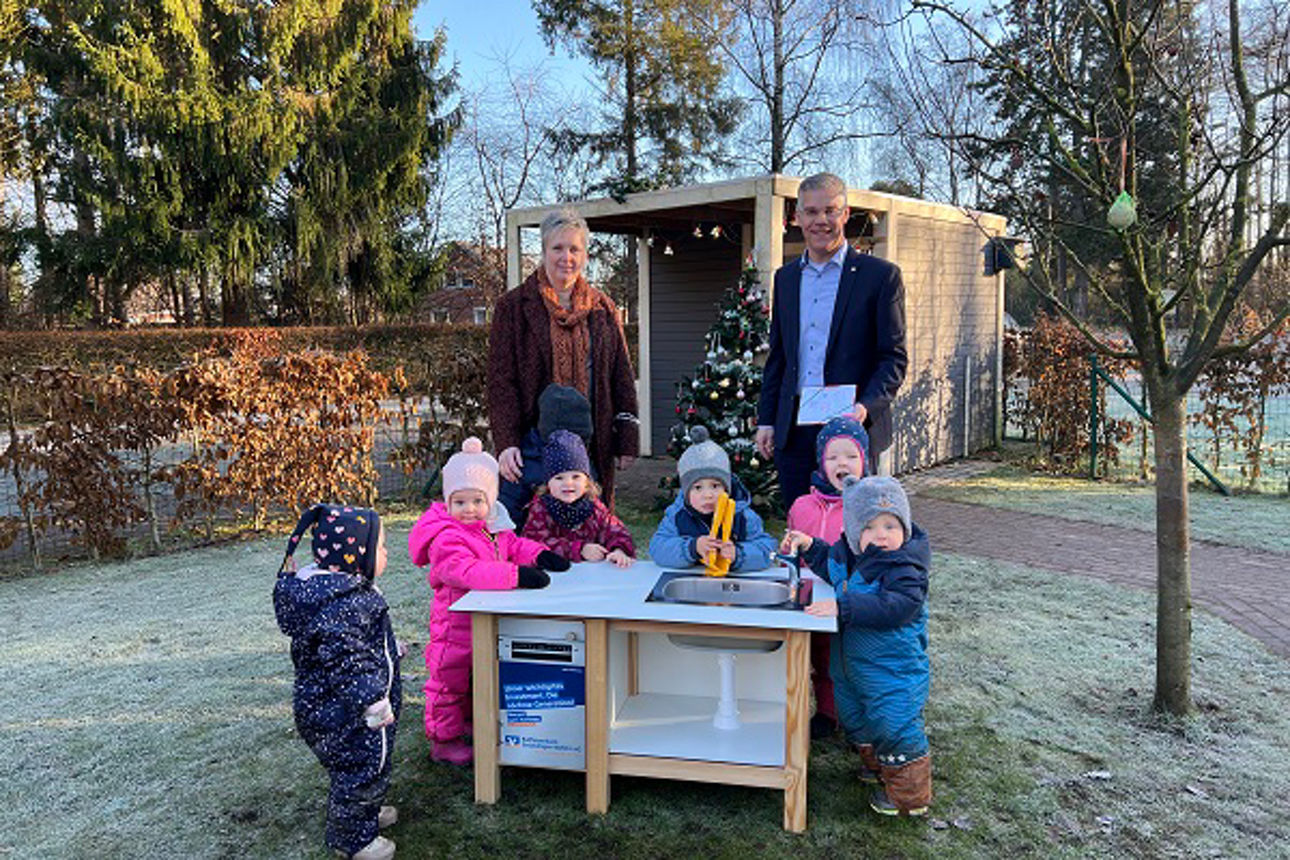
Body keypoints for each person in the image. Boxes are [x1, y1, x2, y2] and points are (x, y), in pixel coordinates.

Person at [407, 438, 570, 765]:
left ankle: (466, 723)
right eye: (460, 502)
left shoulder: (494, 528)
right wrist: (516, 576)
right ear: (448, 503)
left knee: (475, 678)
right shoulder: (449, 537)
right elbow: (466, 571)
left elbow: (514, 545)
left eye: (477, 500)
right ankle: (444, 740)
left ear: (491, 500)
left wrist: (541, 555)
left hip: (483, 622)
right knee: (447, 683)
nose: (469, 509)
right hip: (454, 627)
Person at [755, 172, 908, 508]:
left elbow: (892, 359)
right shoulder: (786, 278)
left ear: (845, 213)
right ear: (796, 217)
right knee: (800, 528)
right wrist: (767, 419)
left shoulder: (880, 277)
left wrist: (864, 409)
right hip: (793, 430)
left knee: (853, 534)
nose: (820, 220)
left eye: (830, 211)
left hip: (850, 430)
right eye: (811, 212)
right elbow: (779, 356)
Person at [782, 476, 932, 817]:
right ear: (853, 533)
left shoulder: (903, 567)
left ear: (905, 529)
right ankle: (879, 766)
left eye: (891, 525)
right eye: (870, 527)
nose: (881, 534)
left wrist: (844, 607)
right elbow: (831, 566)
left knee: (893, 722)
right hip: (852, 666)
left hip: (893, 668)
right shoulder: (849, 555)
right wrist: (810, 545)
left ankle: (908, 795)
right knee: (856, 716)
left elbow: (899, 605)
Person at [488, 207, 639, 523]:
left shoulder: (603, 308)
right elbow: (502, 381)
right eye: (557, 247)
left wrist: (626, 437)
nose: (565, 257)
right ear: (544, 250)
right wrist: (506, 443)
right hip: (531, 446)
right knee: (522, 533)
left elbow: (621, 375)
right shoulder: (513, 307)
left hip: (590, 445)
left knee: (589, 531)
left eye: (574, 248)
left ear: (585, 255)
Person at [273, 504, 401, 860]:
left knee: (363, 766)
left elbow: (357, 643)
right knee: (360, 767)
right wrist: (373, 698)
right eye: (381, 548)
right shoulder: (342, 602)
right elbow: (347, 659)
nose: (387, 554)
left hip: (333, 705)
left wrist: (389, 649)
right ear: (355, 556)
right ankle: (354, 841)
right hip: (346, 711)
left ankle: (365, 815)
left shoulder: (340, 591)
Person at [782, 414, 871, 739]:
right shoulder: (803, 504)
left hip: (849, 597)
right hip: (809, 596)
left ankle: (850, 717)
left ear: (864, 459)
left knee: (845, 660)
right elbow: (791, 544)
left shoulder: (868, 506)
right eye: (833, 456)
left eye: (850, 455)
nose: (841, 463)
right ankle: (824, 713)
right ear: (821, 462)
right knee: (816, 654)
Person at [649, 427, 777, 571]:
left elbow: (767, 550)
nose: (708, 495)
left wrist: (739, 554)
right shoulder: (678, 514)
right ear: (686, 492)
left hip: (733, 584)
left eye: (715, 486)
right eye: (698, 488)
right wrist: (693, 548)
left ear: (726, 489)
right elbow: (658, 548)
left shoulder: (743, 516)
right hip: (691, 582)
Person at [521, 429, 636, 567]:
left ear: (587, 481)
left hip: (591, 577)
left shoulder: (594, 507)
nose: (568, 483)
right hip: (554, 577)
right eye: (559, 478)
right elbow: (534, 544)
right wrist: (579, 549)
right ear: (548, 483)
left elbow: (615, 530)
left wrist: (619, 550)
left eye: (576, 477)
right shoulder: (540, 509)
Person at [497, 383, 596, 531]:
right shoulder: (525, 463)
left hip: (578, 542)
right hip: (533, 540)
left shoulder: (580, 460)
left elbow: (601, 516)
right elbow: (509, 508)